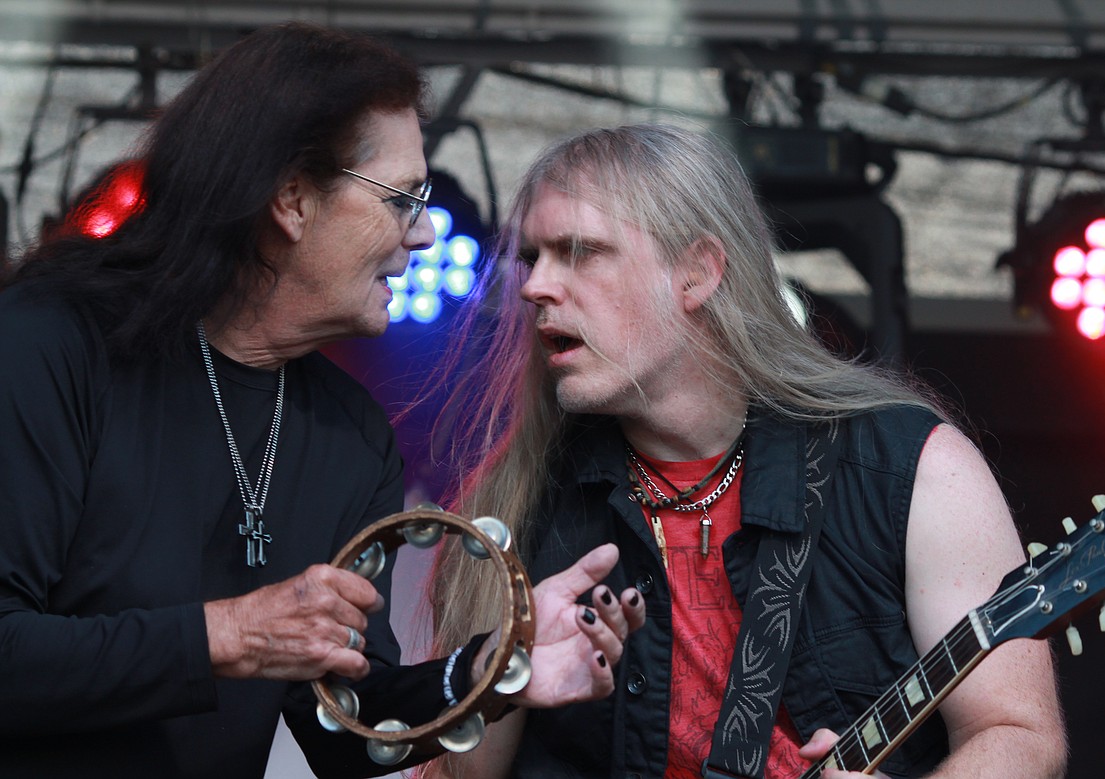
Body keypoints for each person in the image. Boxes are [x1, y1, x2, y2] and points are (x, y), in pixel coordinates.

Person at [0, 23, 643, 779]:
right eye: (402, 199)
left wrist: (495, 673)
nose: (427, 232)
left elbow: (342, 722)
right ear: (292, 199)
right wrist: (224, 636)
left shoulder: (351, 431)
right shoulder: (46, 346)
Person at [424, 124, 1067, 779]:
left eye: (579, 251)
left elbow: (1017, 732)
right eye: (534, 256)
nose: (535, 286)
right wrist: (506, 674)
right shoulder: (520, 497)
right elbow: (456, 773)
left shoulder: (915, 468)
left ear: (698, 272)